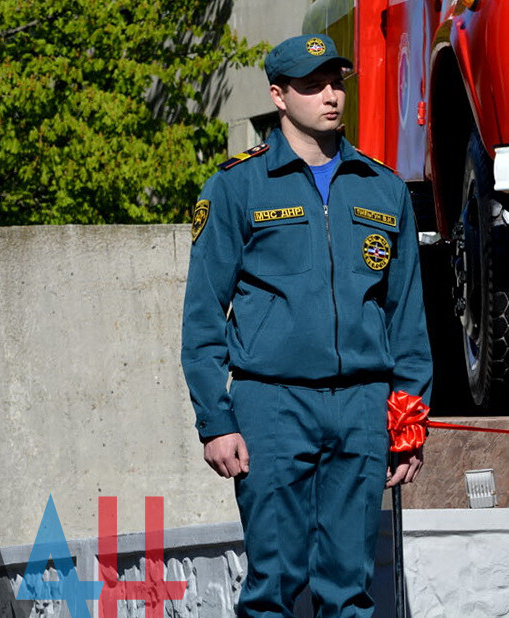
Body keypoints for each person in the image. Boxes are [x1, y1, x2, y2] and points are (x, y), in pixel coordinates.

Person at [181, 34, 432, 618]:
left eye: (336, 82)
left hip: (362, 408)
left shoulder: (384, 188)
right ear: (278, 95)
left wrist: (409, 422)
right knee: (275, 583)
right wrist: (215, 421)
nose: (330, 95)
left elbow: (409, 322)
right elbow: (202, 320)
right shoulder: (235, 187)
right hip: (272, 405)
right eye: (312, 85)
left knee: (351, 588)